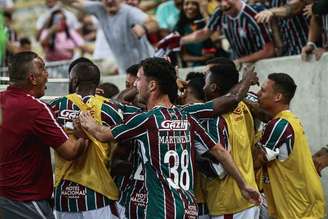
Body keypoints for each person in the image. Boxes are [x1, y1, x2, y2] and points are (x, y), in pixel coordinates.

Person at [79, 57, 261, 218]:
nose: (135, 84)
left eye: (139, 79)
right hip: (189, 209)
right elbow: (220, 151)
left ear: (152, 86)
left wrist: (87, 120)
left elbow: (103, 135)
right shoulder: (187, 117)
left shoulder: (147, 120)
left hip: (159, 210)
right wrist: (244, 185)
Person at [0, 51, 87, 218]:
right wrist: (83, 132)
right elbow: (71, 151)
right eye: (43, 69)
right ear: (33, 78)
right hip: (25, 201)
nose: (47, 75)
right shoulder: (35, 108)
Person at [50, 62, 123, 219]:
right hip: (98, 192)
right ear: (97, 83)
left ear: (74, 81)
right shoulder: (110, 108)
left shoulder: (56, 106)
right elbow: (125, 143)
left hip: (64, 194)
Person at [253, 73, 325, 218]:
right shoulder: (288, 120)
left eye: (263, 90)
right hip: (302, 205)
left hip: (298, 210)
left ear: (277, 97)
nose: (258, 94)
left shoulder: (279, 125)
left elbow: (254, 162)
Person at [202, 63, 260, 219]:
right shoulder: (244, 108)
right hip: (248, 198)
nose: (203, 88)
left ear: (213, 87)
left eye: (205, 83)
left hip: (229, 202)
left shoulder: (213, 119)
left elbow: (218, 168)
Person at [61, 0, 156, 74]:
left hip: (146, 66)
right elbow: (72, 2)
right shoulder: (99, 9)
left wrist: (144, 28)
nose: (110, 1)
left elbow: (154, 23)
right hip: (126, 69)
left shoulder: (129, 12)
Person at [176, 0, 275, 67]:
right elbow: (205, 32)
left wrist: (240, 61)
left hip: (263, 63)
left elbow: (269, 50)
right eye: (219, 0)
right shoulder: (220, 12)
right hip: (240, 63)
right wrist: (179, 40)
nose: (223, 4)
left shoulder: (254, 13)